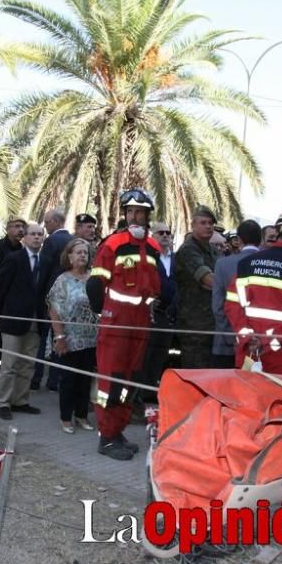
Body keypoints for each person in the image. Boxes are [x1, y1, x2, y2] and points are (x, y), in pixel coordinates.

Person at [87, 188, 162, 460]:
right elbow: (95, 284)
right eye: (130, 211)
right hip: (116, 322)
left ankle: (117, 430)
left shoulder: (152, 246)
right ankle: (105, 437)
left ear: (147, 216)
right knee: (112, 381)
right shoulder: (113, 244)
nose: (135, 216)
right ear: (125, 214)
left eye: (140, 212)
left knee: (130, 380)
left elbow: (156, 285)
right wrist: (103, 314)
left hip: (140, 323)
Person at [225, 208, 282, 373]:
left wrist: (247, 336)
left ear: (277, 230)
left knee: (246, 396)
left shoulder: (247, 262)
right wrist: (272, 341)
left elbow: (232, 304)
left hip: (250, 351)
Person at [0, 224, 47, 420]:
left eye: (40, 235)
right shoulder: (13, 259)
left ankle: (20, 401)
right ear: (25, 238)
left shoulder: (45, 261)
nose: (37, 238)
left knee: (28, 364)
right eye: (33, 234)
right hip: (13, 319)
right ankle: (4, 402)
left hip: (35, 320)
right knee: (10, 364)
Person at [48, 238, 99, 433]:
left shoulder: (94, 277)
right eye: (78, 252)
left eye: (85, 252)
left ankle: (81, 415)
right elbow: (53, 309)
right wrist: (59, 337)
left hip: (91, 338)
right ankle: (65, 417)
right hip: (69, 338)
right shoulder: (63, 280)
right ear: (69, 256)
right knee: (69, 379)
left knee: (85, 379)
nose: (82, 256)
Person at [0, 217, 26, 403]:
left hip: (14, 307)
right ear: (7, 229)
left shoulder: (22, 250)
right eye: (16, 226)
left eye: (22, 227)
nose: (20, 230)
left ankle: (11, 392)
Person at [211, 220, 262, 368]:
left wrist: (230, 337)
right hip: (258, 344)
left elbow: (218, 306)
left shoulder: (223, 264)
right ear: (261, 240)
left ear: (238, 239)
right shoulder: (268, 264)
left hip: (226, 343)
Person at [174, 205, 219, 369]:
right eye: (203, 223)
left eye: (211, 223)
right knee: (193, 370)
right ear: (193, 225)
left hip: (211, 322)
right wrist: (220, 285)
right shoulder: (188, 249)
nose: (208, 226)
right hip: (193, 324)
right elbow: (210, 280)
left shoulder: (213, 251)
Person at [32, 209, 71, 393]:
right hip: (68, 297)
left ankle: (36, 376)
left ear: (56, 221)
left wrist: (38, 294)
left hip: (51, 297)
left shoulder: (51, 241)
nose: (45, 226)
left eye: (47, 222)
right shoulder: (72, 240)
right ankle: (54, 379)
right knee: (60, 337)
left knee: (43, 338)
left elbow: (44, 270)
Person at [138, 221, 177, 388]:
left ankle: (153, 389)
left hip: (170, 315)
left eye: (168, 233)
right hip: (150, 313)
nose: (165, 236)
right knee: (146, 354)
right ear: (151, 236)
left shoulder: (177, 259)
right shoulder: (147, 257)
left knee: (162, 353)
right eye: (160, 233)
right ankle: (141, 391)